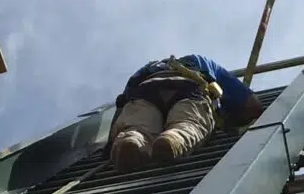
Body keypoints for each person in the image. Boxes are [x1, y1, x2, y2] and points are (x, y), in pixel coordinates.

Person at [108, 54, 265, 170]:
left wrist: (110, 144)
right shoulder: (201, 61)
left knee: (136, 127)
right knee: (188, 124)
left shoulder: (148, 67)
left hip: (146, 91)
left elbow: (122, 105)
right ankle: (173, 139)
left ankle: (132, 141)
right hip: (188, 89)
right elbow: (253, 105)